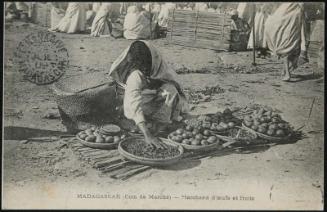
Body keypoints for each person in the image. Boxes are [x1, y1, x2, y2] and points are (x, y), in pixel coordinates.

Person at [108, 40, 189, 148]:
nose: (145, 69)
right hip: (134, 102)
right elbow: (133, 102)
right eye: (142, 67)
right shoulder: (135, 75)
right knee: (134, 112)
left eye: (146, 65)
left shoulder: (159, 65)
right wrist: (148, 135)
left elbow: (175, 87)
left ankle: (160, 125)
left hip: (153, 99)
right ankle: (142, 125)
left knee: (171, 89)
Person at [263, 3, 307, 81]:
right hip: (291, 28)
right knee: (288, 50)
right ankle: (287, 72)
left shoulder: (291, 8)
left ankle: (287, 72)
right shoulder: (292, 8)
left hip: (293, 27)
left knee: (290, 51)